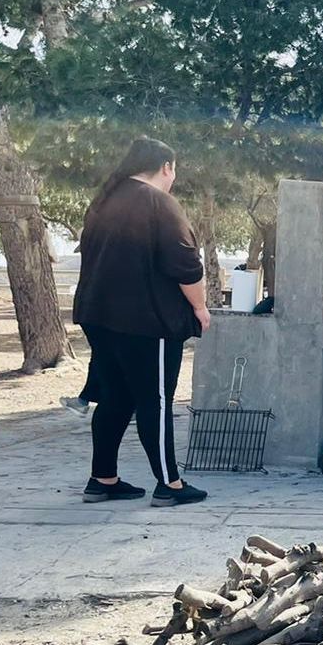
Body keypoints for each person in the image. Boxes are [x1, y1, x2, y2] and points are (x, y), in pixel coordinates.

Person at [72, 137, 210, 506]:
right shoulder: (159, 202)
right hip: (148, 321)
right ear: (166, 167)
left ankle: (102, 479)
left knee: (116, 397)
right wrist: (199, 308)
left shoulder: (105, 201)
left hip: (98, 316)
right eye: (174, 170)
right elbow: (185, 264)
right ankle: (170, 485)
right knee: (156, 400)